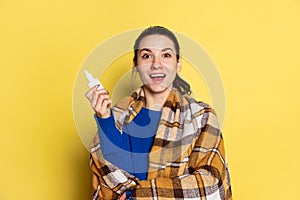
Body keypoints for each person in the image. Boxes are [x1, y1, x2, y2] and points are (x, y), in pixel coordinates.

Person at [85, 26, 232, 200]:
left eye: (166, 55)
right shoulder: (116, 117)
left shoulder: (202, 117)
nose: (156, 64)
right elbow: (107, 179)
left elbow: (212, 186)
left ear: (178, 64)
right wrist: (105, 119)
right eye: (147, 56)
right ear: (136, 65)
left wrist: (138, 196)